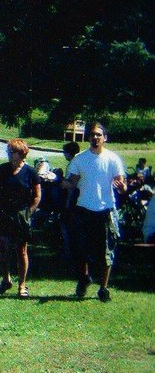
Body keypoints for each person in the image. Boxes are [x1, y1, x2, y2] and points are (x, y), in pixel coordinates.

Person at [66, 122, 127, 302]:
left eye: (99, 135)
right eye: (92, 134)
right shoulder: (80, 159)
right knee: (80, 251)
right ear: (88, 137)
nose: (95, 138)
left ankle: (103, 288)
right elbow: (72, 182)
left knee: (105, 252)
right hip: (83, 209)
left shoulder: (113, 159)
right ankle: (84, 280)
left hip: (106, 211)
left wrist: (123, 187)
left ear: (105, 138)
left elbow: (122, 188)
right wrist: (57, 180)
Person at [0, 138, 41, 298]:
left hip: (21, 215)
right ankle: (6, 279)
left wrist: (29, 212)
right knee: (2, 249)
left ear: (21, 153)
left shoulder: (30, 172)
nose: (9, 154)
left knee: (21, 250)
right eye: (8, 151)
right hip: (2, 214)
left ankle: (22, 285)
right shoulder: (1, 170)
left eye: (11, 152)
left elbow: (37, 196)